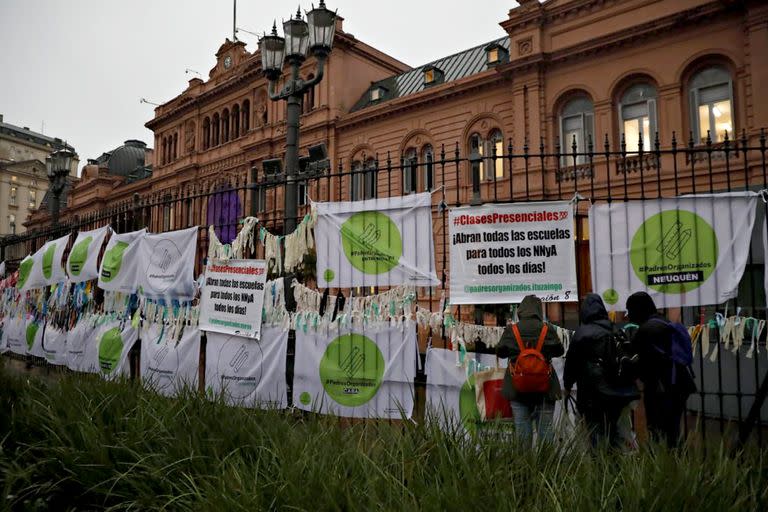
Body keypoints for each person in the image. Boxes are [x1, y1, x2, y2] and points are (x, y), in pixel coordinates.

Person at [564, 294, 637, 448]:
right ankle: (615, 465)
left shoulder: (582, 333)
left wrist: (568, 384)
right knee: (614, 430)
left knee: (595, 432)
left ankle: (600, 466)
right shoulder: (615, 329)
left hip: (591, 393)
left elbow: (572, 362)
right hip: (616, 392)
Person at [626, 291, 693, 448]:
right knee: (672, 428)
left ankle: (666, 461)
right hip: (677, 384)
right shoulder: (661, 321)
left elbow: (639, 361)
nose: (628, 315)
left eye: (630, 310)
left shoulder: (647, 329)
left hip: (662, 388)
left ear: (638, 309)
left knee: (659, 430)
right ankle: (674, 459)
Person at [495, 295, 564, 446]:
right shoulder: (547, 329)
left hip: (517, 389)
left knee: (522, 434)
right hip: (545, 389)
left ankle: (524, 468)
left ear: (521, 311)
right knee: (546, 432)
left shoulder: (512, 330)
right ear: (539, 311)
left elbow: (500, 352)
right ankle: (547, 468)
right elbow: (559, 351)